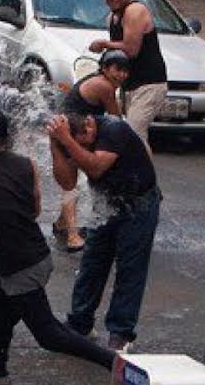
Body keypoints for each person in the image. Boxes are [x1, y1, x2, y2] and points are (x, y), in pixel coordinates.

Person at [0, 109, 116, 385]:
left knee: (47, 334)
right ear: (8, 138)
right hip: (35, 254)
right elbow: (34, 210)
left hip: (20, 265)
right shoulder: (27, 164)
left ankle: (112, 362)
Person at [47, 111, 161, 353]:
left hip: (138, 203)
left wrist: (67, 141)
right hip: (106, 203)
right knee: (92, 264)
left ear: (89, 125)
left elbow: (96, 168)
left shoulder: (113, 129)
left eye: (82, 145)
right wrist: (56, 145)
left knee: (130, 269)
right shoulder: (69, 138)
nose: (79, 152)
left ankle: (121, 332)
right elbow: (67, 182)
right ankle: (79, 323)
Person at [53, 50, 131, 253]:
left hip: (60, 127)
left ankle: (62, 223)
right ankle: (72, 235)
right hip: (68, 132)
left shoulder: (98, 80)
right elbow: (115, 118)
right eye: (117, 70)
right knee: (71, 183)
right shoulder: (103, 86)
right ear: (105, 69)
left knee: (70, 181)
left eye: (125, 71)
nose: (122, 75)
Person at [89, 0, 167, 147]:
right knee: (123, 133)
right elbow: (119, 56)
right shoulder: (112, 18)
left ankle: (143, 174)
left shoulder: (135, 10)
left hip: (149, 84)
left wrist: (104, 44)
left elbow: (131, 50)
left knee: (134, 135)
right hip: (129, 86)